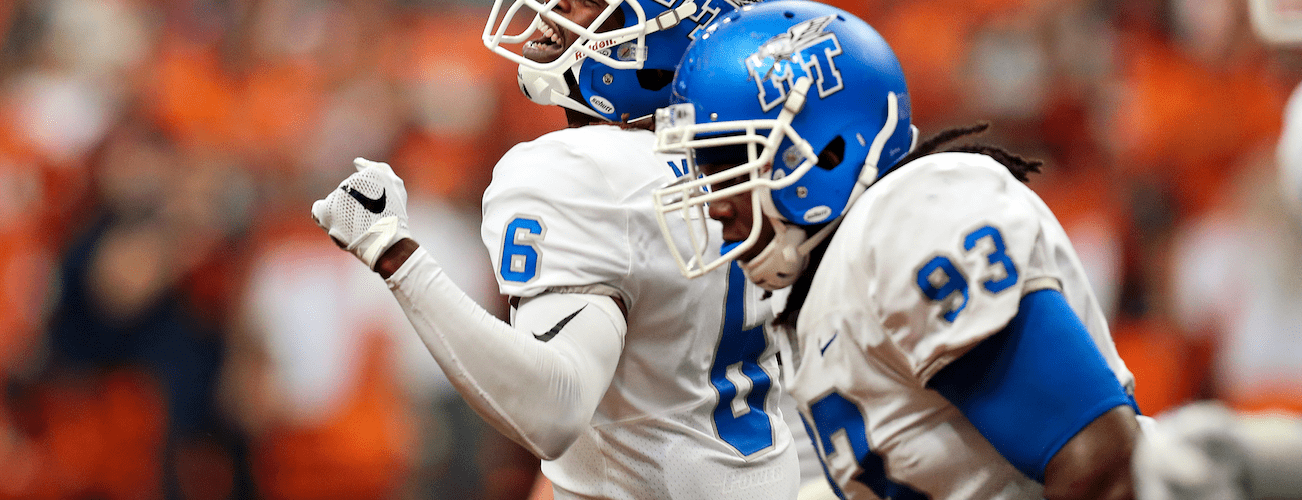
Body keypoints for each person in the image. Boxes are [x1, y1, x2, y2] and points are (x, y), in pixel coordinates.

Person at [310, 0, 812, 497]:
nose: (556, 5)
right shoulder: (745, 164)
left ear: (661, 42)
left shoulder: (587, 169)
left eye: (593, 2)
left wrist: (391, 250)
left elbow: (551, 409)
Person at [649, 1, 1145, 498]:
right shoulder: (824, 285)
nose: (715, 206)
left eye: (730, 164)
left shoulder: (910, 218)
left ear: (827, 151)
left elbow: (1100, 462)